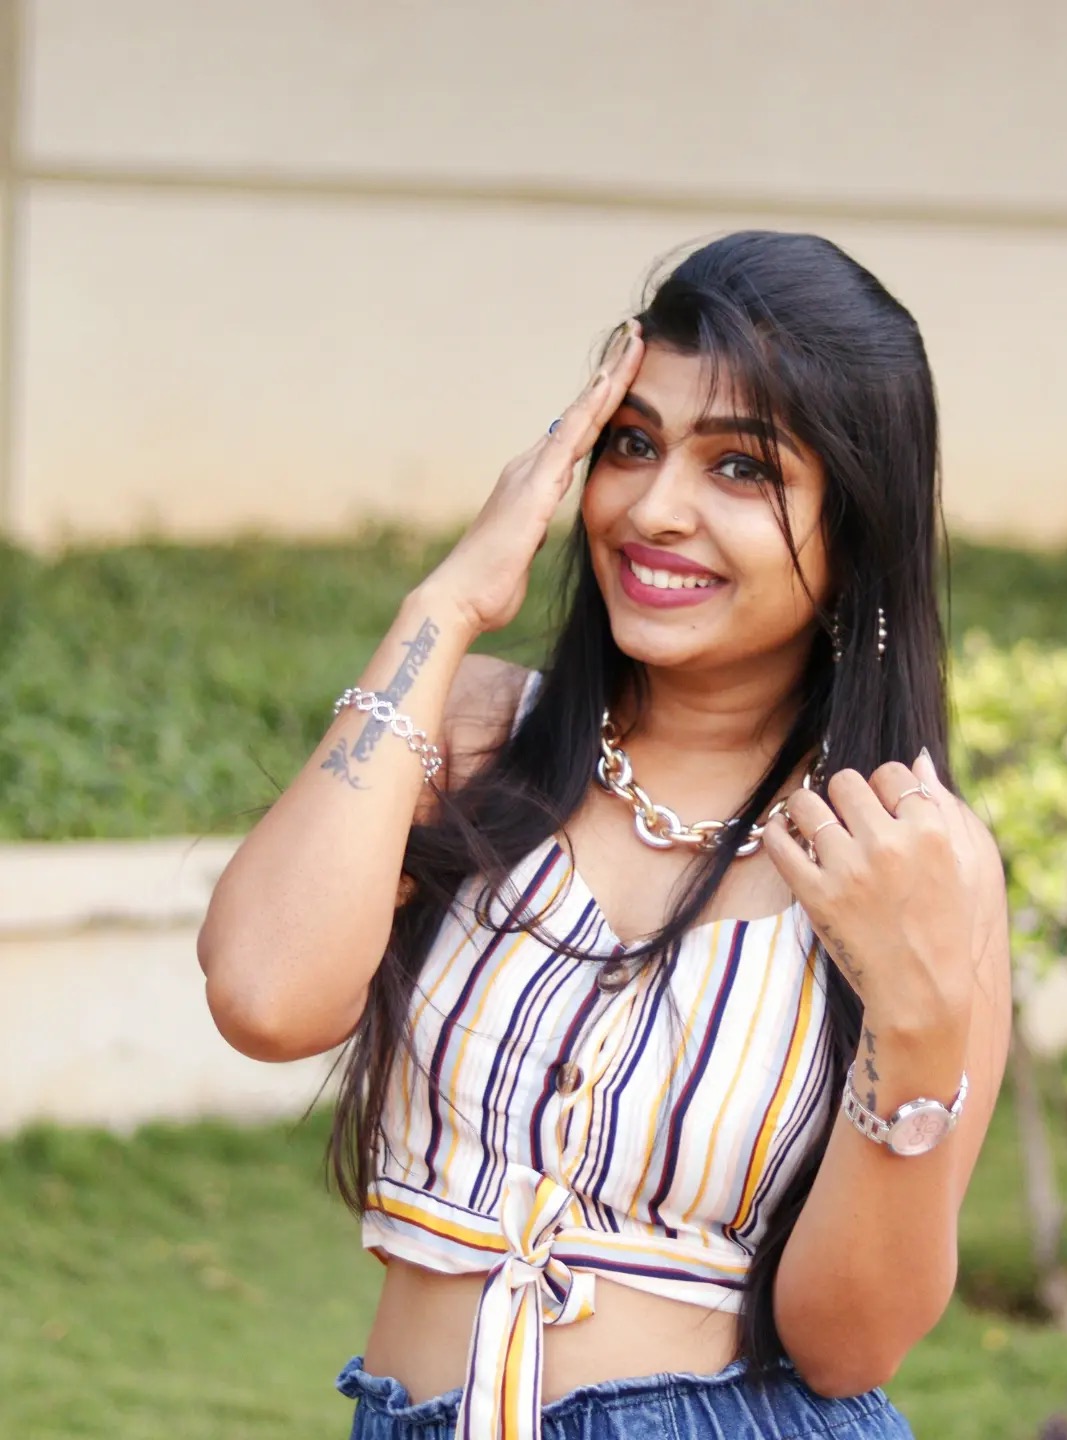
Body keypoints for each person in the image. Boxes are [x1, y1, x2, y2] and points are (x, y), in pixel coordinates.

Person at [199, 229, 1011, 1440]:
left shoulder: (901, 853)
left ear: (857, 532)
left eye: (742, 468)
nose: (655, 508)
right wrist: (447, 605)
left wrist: (919, 1015)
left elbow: (850, 1345)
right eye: (633, 443)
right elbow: (266, 998)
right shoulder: (473, 736)